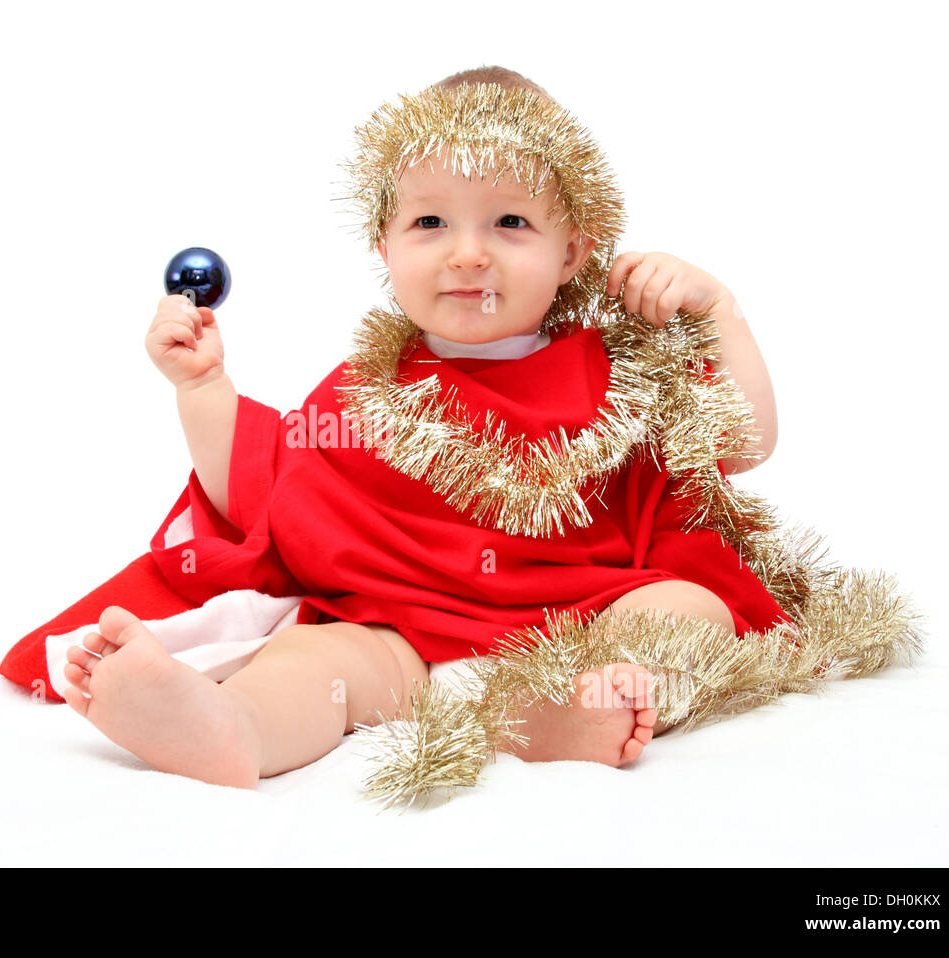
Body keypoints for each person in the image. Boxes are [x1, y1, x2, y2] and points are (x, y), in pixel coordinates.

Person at [60, 66, 784, 790]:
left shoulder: (615, 375)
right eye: (430, 222)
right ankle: (233, 726)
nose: (467, 253)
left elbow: (741, 441)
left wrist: (716, 306)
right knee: (318, 662)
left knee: (689, 611)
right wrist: (202, 387)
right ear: (385, 244)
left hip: (581, 617)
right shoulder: (366, 389)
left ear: (571, 252)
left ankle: (566, 704)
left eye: (510, 222)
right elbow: (263, 487)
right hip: (398, 630)